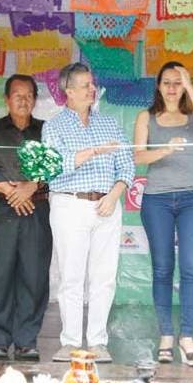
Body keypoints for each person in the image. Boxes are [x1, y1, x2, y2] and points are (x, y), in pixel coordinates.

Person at [43, 62, 134, 363]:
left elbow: (127, 165)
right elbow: (53, 167)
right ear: (68, 91)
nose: (92, 90)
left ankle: (97, 342)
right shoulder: (53, 126)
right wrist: (94, 151)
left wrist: (114, 195)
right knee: (71, 277)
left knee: (103, 278)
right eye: (84, 86)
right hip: (69, 204)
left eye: (92, 85)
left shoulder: (109, 124)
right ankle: (70, 342)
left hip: (107, 205)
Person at [133, 62, 193, 366]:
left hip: (191, 198)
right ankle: (166, 334)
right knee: (163, 269)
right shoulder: (147, 117)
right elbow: (138, 156)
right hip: (157, 199)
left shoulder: (192, 118)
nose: (171, 88)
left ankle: (187, 336)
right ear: (158, 85)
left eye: (177, 82)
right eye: (166, 82)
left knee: (191, 268)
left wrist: (189, 83)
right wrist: (165, 150)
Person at [0, 74, 51, 362]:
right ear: (7, 99)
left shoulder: (46, 130)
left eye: (29, 95)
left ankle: (26, 341)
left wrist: (30, 187)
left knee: (34, 276)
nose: (24, 100)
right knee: (0, 276)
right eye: (18, 95)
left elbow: (52, 167)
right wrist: (14, 192)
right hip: (2, 211)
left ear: (35, 99)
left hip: (37, 209)